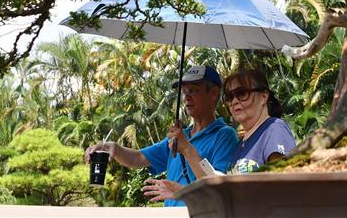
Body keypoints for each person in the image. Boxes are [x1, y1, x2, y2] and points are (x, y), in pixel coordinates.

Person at [84, 64, 238, 207]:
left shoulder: (225, 135)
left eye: (193, 90)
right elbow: (137, 158)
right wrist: (114, 148)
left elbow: (219, 190)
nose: (186, 97)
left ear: (213, 93)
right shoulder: (178, 138)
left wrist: (187, 149)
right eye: (184, 92)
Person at [142, 68, 297, 199]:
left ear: (264, 96)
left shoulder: (274, 128)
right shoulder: (242, 145)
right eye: (229, 97)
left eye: (242, 93)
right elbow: (224, 194)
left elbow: (285, 189)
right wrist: (183, 192)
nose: (234, 101)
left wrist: (188, 149)